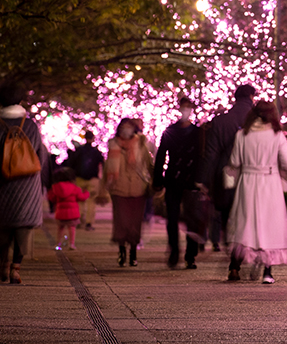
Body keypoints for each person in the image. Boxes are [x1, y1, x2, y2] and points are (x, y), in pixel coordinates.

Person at [0, 82, 50, 284]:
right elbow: (41, 154)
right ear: (20, 101)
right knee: (24, 226)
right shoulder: (31, 125)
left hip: (2, 183)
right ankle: (16, 267)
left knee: (4, 226)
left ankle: (3, 264)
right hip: (28, 183)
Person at [226, 100, 287, 283]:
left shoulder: (242, 135)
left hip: (248, 181)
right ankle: (267, 271)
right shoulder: (277, 135)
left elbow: (235, 161)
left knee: (245, 223)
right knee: (269, 225)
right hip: (270, 182)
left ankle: (235, 266)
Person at [198, 84, 255, 244]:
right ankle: (245, 243)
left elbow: (211, 154)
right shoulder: (258, 121)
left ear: (235, 99)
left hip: (226, 172)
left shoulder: (220, 121)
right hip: (252, 172)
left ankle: (231, 243)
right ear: (252, 97)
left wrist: (204, 179)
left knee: (228, 209)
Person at [153, 95, 203, 269]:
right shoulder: (171, 131)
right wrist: (158, 180)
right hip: (174, 177)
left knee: (192, 219)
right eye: (184, 107)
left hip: (190, 179)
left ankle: (190, 254)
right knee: (173, 218)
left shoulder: (197, 132)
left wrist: (201, 179)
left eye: (188, 107)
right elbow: (161, 156)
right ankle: (174, 250)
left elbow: (201, 156)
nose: (185, 110)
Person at [104, 118, 153, 267]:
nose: (126, 130)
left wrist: (155, 183)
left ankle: (133, 252)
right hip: (119, 189)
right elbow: (108, 167)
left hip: (138, 189)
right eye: (123, 127)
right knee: (122, 222)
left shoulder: (141, 144)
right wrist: (104, 188)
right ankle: (121, 250)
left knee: (134, 223)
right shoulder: (113, 144)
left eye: (129, 127)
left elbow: (149, 164)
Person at [66, 130, 105, 231]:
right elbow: (102, 164)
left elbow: (71, 163)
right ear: (93, 139)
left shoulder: (79, 151)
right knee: (91, 201)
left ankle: (79, 220)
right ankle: (89, 223)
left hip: (79, 178)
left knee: (80, 201)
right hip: (93, 179)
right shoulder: (96, 152)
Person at [47, 167, 89, 251]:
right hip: (72, 213)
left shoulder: (56, 188)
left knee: (60, 228)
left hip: (60, 213)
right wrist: (86, 193)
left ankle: (58, 244)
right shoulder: (75, 188)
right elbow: (81, 197)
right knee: (72, 228)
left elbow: (52, 198)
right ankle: (71, 244)